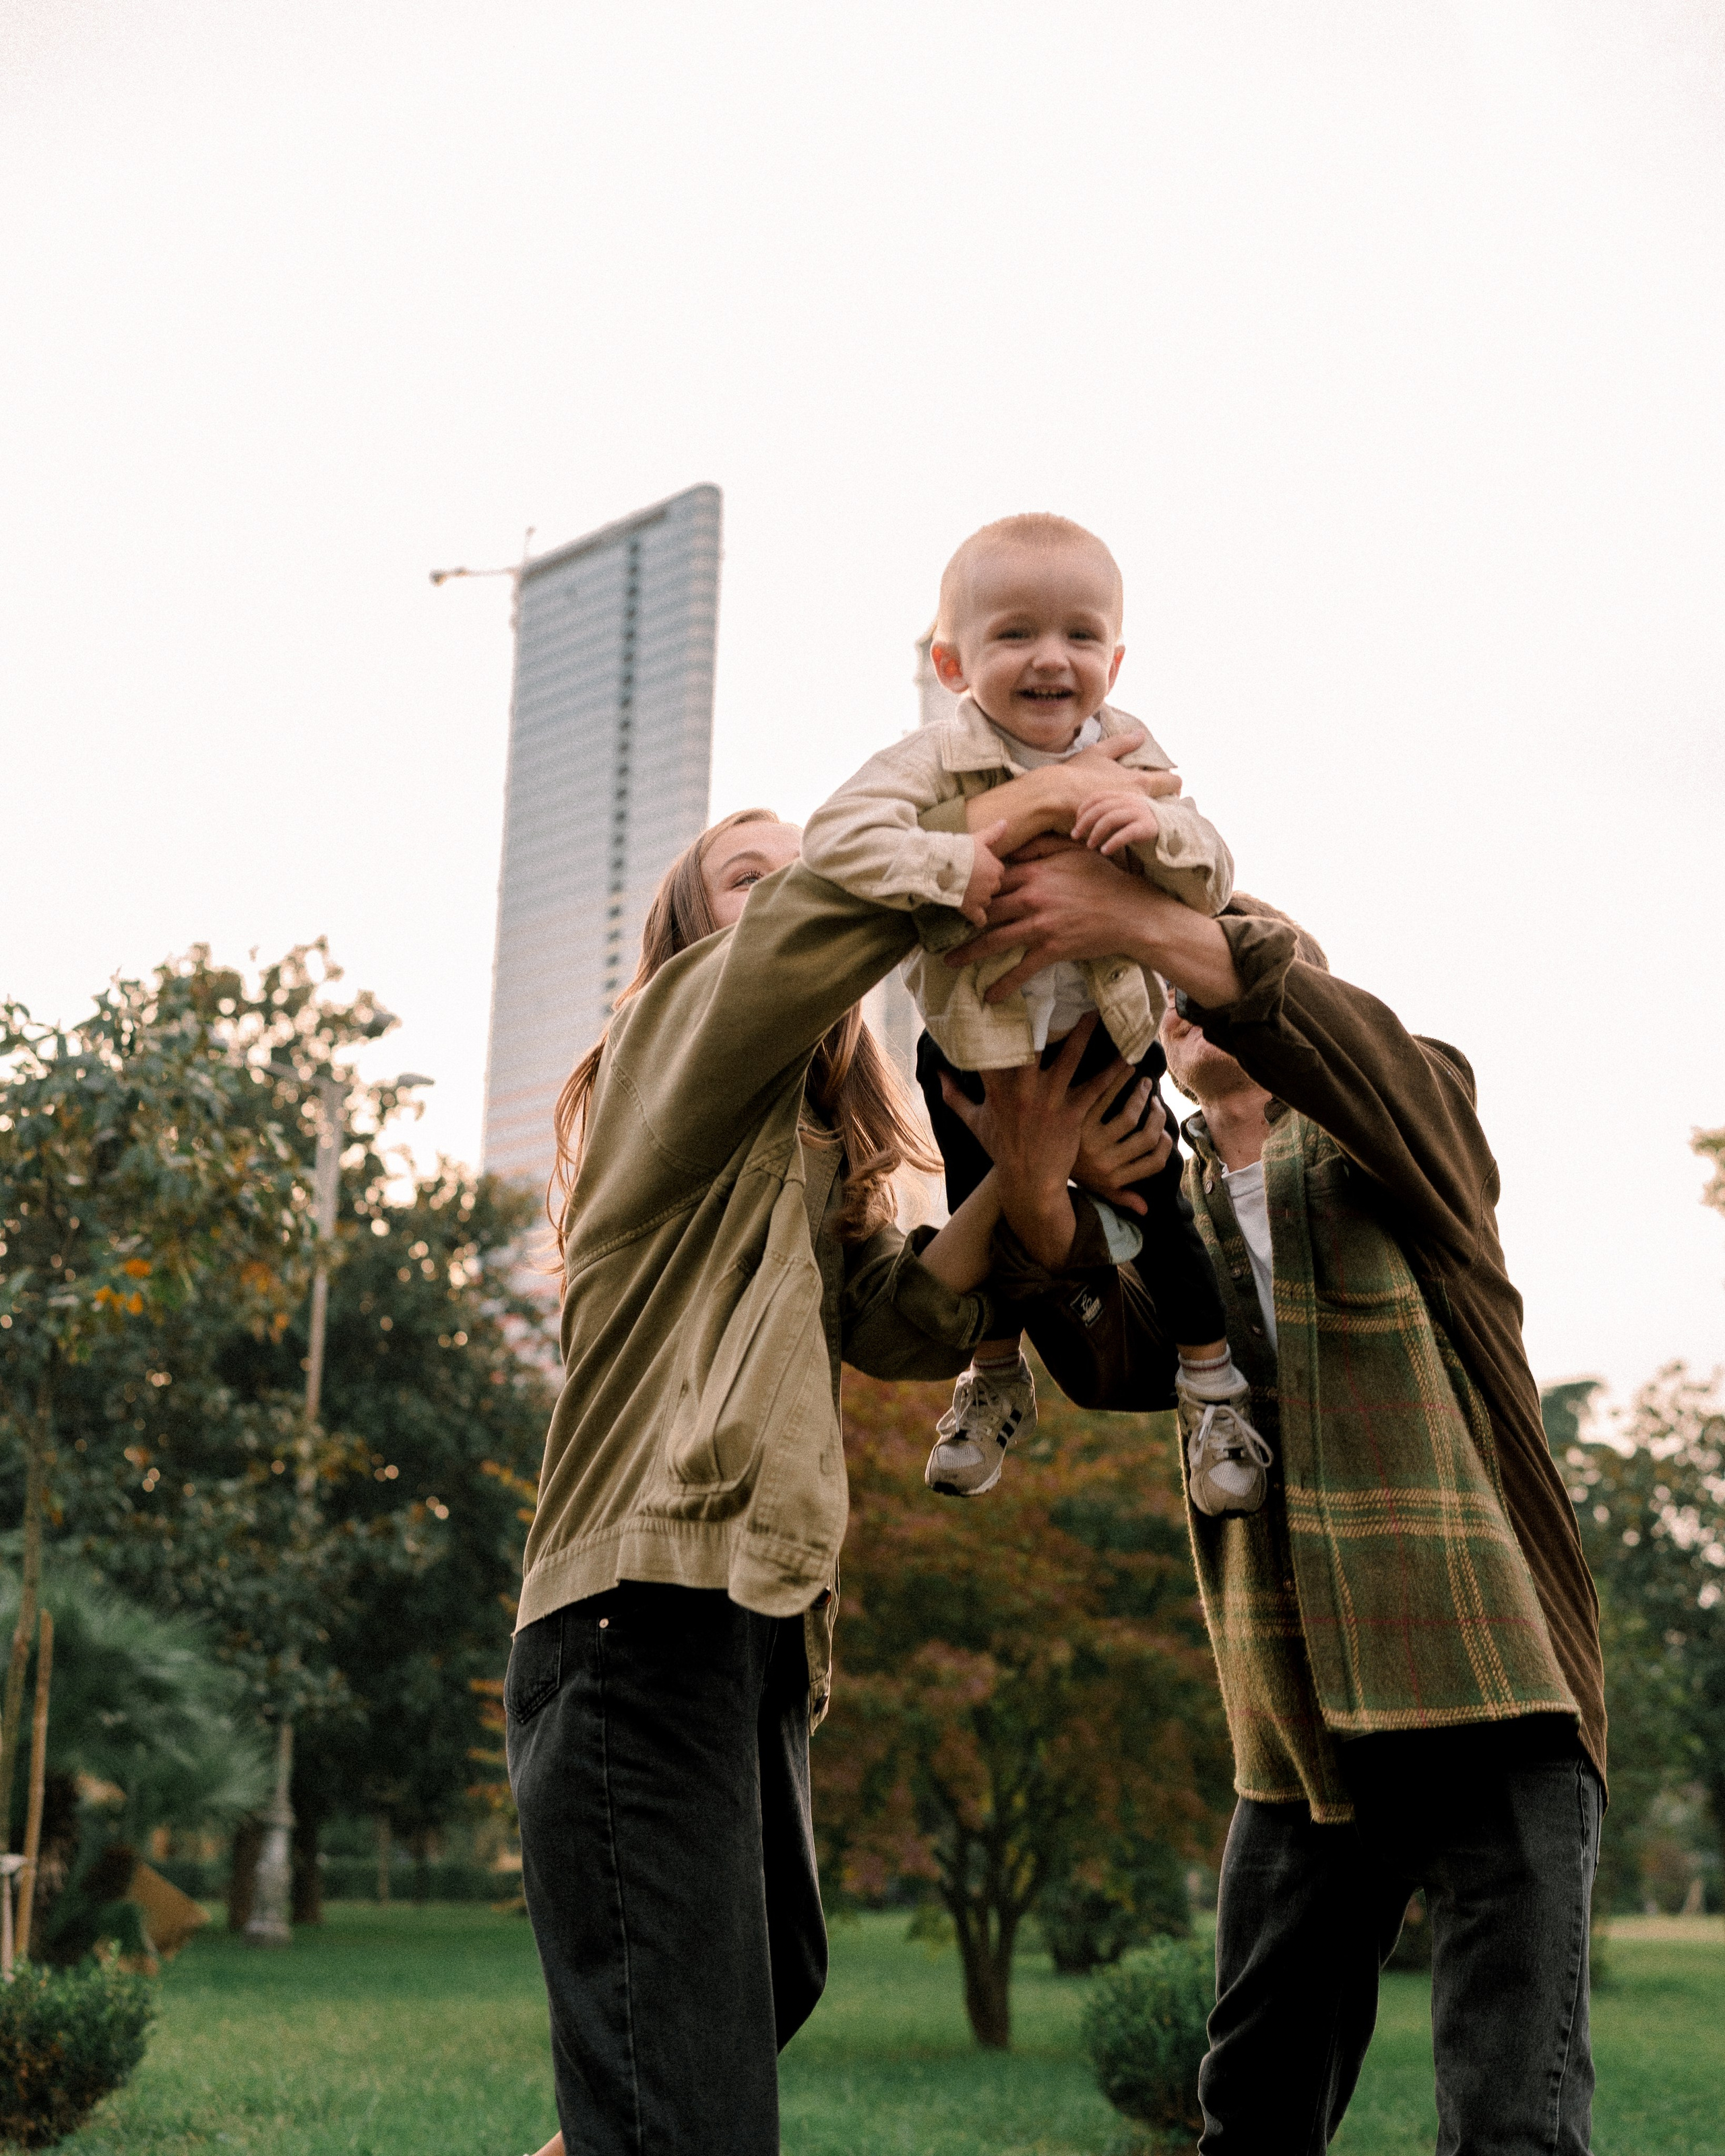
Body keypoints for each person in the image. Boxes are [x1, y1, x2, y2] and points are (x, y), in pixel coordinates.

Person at [509, 808, 1159, 2156]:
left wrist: (1028, 1169)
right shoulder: (674, 1052)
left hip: (746, 1625)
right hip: (642, 1604)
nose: (800, 884)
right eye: (758, 873)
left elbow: (909, 1322)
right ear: (694, 937)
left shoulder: (809, 1175)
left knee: (754, 1993)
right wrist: (974, 825)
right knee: (690, 2091)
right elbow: (803, 939)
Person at [948, 837, 1609, 2155]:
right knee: (1250, 2114)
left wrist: (1191, 924)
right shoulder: (1159, 1203)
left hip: (1493, 1679)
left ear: (1284, 988)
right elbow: (1110, 1352)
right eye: (1161, 967)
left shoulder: (1404, 1121)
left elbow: (1350, 1052)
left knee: (1510, 2128)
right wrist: (1042, 1192)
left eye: (1218, 944)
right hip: (1294, 1714)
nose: (1181, 974)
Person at [801, 512, 1269, 1511]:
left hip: (1106, 1041)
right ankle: (993, 1375)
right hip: (973, 1044)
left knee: (1162, 1210)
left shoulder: (1133, 758)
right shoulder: (934, 758)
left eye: (1080, 636)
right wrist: (952, 860)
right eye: (1015, 634)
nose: (1050, 658)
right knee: (990, 1201)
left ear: (1116, 657)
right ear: (955, 661)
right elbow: (836, 836)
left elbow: (1213, 866)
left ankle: (1213, 1391)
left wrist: (1153, 830)